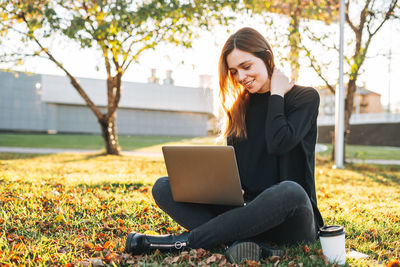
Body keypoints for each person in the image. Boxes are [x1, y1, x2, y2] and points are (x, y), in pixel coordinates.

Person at [125, 27, 324, 264]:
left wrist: (277, 94)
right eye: (234, 72)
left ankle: (183, 241)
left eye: (247, 67)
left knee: (289, 190)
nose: (241, 77)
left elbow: (279, 143)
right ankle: (246, 245)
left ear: (267, 58)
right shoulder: (239, 109)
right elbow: (238, 172)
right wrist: (225, 190)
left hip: (292, 218)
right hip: (245, 216)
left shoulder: (305, 98)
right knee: (164, 187)